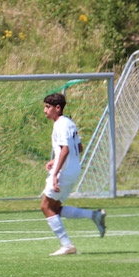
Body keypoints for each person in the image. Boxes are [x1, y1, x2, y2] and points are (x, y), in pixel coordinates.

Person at [40, 92, 105, 256]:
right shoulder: (69, 123)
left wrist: (55, 174)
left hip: (65, 171)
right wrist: (55, 160)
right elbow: (79, 147)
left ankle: (67, 245)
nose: (45, 110)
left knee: (46, 207)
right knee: (55, 208)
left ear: (57, 108)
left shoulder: (60, 125)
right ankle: (94, 215)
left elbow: (66, 149)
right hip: (73, 169)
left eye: (47, 107)